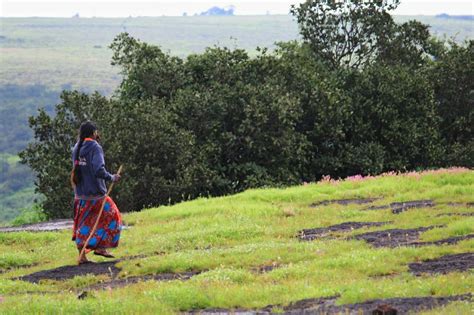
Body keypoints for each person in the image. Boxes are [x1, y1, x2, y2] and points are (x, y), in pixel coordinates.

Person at [71, 121, 122, 264]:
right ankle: (101, 246)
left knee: (83, 225)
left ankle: (86, 254)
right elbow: (98, 170)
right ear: (93, 133)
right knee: (113, 217)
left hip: (80, 194)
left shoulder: (76, 147)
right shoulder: (95, 147)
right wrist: (112, 177)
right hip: (96, 195)